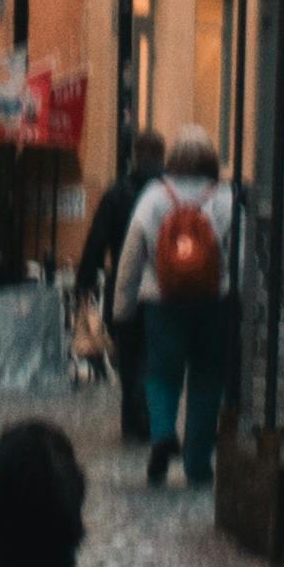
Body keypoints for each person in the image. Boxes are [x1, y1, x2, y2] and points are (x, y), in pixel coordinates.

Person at [112, 120, 241, 493]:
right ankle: (198, 464)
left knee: (161, 372)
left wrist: (122, 307)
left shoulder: (154, 196)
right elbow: (242, 256)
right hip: (212, 304)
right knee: (206, 379)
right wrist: (241, 296)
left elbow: (131, 255)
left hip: (161, 303)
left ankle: (163, 434)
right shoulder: (224, 198)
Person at [73, 127, 163, 446]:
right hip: (162, 289)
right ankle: (148, 419)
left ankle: (133, 420)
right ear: (161, 156)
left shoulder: (118, 192)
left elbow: (97, 240)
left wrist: (84, 281)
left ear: (136, 156)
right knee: (153, 355)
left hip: (123, 286)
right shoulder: (169, 194)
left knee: (129, 353)